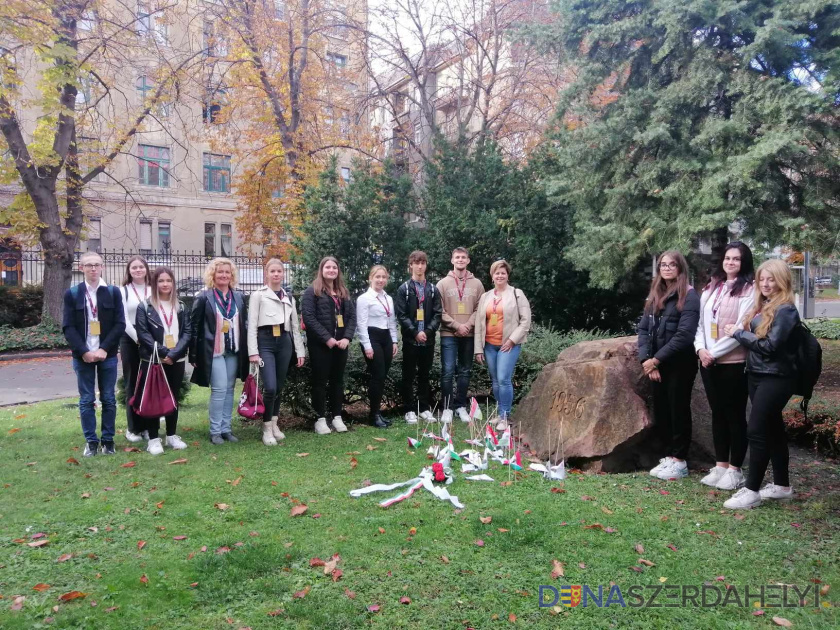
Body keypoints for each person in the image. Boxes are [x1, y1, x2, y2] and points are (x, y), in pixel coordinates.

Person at [722, 260, 801, 510]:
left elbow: (770, 346)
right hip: (757, 374)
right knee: (773, 429)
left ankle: (752, 490)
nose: (766, 284)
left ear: (783, 281)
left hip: (776, 377)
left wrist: (738, 333)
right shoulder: (763, 305)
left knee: (756, 431)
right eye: (762, 279)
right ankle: (782, 486)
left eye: (772, 279)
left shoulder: (786, 309)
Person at [694, 242, 755, 491]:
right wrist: (700, 350)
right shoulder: (712, 286)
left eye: (737, 259)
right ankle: (720, 465)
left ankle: (735, 470)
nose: (731, 263)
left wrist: (713, 353)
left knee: (734, 416)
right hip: (708, 362)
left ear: (745, 262)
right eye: (728, 258)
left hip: (733, 363)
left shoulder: (749, 290)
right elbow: (700, 323)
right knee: (717, 414)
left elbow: (740, 328)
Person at [638, 250, 700, 481]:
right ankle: (668, 456)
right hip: (657, 364)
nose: (666, 268)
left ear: (680, 268)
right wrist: (647, 360)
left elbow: (684, 335)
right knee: (663, 411)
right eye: (663, 265)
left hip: (679, 364)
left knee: (678, 411)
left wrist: (657, 359)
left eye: (672, 265)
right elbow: (644, 328)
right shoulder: (656, 293)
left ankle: (680, 460)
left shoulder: (690, 296)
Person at [62, 251, 126, 456]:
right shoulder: (72, 294)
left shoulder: (113, 292)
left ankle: (108, 441)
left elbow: (120, 324)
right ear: (81, 268)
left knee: (108, 398)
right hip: (82, 356)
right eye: (89, 265)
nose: (93, 268)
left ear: (102, 267)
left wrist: (104, 349)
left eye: (97, 265)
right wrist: (84, 352)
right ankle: (91, 442)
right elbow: (68, 327)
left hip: (106, 354)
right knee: (86, 399)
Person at [189, 257, 249, 444]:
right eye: (220, 272)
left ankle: (226, 429)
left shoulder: (238, 297)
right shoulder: (203, 297)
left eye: (227, 272)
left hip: (233, 350)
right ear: (212, 275)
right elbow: (194, 326)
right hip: (212, 351)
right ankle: (215, 431)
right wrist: (192, 354)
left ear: (232, 275)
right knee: (220, 388)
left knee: (230, 389)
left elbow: (244, 324)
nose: (223, 275)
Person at [247, 259, 306, 445]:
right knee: (270, 387)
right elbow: (252, 326)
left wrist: (300, 351)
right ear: (267, 273)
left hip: (284, 342)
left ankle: (274, 423)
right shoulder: (258, 295)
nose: (276, 274)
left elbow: (295, 327)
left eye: (279, 271)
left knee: (279, 387)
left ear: (283, 274)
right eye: (272, 271)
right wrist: (253, 352)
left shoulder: (288, 297)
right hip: (265, 341)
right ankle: (266, 428)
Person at [135, 267, 192, 455]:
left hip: (176, 359)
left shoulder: (181, 306)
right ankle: (153, 439)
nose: (165, 284)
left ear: (173, 283)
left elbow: (187, 333)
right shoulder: (145, 307)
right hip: (154, 360)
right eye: (161, 281)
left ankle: (172, 435)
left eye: (168, 280)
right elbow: (143, 334)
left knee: (173, 397)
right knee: (154, 397)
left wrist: (174, 354)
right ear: (154, 283)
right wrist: (163, 352)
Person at [301, 256, 356, 435]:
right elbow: (309, 318)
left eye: (334, 267)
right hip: (321, 345)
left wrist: (346, 338)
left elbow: (351, 317)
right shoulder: (313, 291)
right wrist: (327, 338)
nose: (331, 270)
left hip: (341, 345)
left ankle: (337, 416)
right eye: (328, 267)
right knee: (320, 382)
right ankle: (320, 419)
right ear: (321, 270)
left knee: (337, 381)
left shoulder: (343, 292)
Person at [474, 260, 531, 431]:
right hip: (490, 345)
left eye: (503, 273)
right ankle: (500, 413)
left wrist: (512, 340)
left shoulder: (517, 293)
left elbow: (525, 321)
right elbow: (479, 323)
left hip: (509, 345)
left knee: (504, 380)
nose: (500, 275)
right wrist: (478, 348)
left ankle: (505, 416)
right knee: (496, 382)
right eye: (497, 273)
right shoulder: (486, 296)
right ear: (492, 276)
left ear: (507, 275)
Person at [437, 247, 485, 423]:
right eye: (457, 257)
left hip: (469, 334)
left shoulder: (477, 284)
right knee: (448, 371)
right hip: (448, 333)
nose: (460, 260)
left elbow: (480, 308)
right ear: (452, 260)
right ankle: (447, 408)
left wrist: (467, 326)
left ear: (468, 260)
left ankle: (460, 406)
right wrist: (457, 325)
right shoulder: (442, 284)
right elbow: (438, 310)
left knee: (465, 371)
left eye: (463, 257)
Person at [395, 251, 442, 425]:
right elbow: (401, 314)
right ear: (411, 265)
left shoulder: (432, 289)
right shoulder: (404, 289)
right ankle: (408, 409)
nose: (420, 266)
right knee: (408, 375)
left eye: (423, 263)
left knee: (424, 375)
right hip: (410, 340)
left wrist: (428, 332)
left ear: (426, 265)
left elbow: (438, 314)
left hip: (428, 341)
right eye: (417, 263)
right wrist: (415, 332)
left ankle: (423, 408)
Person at [356, 265, 398, 428]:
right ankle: (373, 415)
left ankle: (378, 412)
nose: (380, 280)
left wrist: (394, 341)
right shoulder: (364, 299)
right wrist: (367, 346)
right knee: (377, 375)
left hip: (386, 337)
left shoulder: (388, 298)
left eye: (383, 277)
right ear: (370, 278)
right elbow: (361, 324)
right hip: (372, 337)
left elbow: (392, 321)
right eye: (377, 277)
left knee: (382, 377)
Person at [120, 255, 152, 443]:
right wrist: (138, 338)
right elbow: (123, 318)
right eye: (134, 268)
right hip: (130, 339)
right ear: (129, 271)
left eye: (141, 267)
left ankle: (148, 426)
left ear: (146, 269)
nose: (138, 270)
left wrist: (148, 339)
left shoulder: (153, 289)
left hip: (151, 338)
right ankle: (133, 428)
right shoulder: (123, 291)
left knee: (149, 383)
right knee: (132, 383)